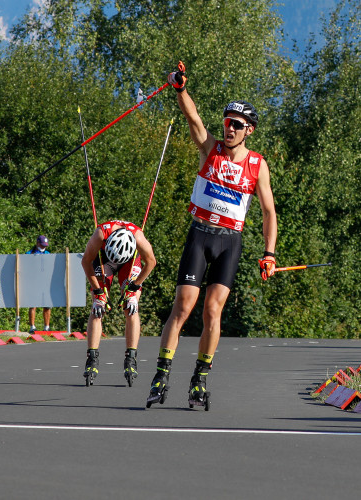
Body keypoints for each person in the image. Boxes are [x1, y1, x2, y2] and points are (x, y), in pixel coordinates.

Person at [146, 62, 277, 409]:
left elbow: (268, 212)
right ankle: (161, 374)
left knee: (213, 311)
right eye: (227, 122)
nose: (229, 128)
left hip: (229, 241)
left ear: (248, 130)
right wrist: (180, 89)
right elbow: (193, 119)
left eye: (236, 125)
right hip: (201, 235)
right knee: (184, 306)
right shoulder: (211, 148)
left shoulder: (257, 165)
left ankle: (200, 380)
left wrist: (269, 253)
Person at [80, 220, 157, 387]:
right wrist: (98, 291)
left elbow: (151, 262)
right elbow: (86, 262)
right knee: (98, 306)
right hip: (104, 257)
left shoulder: (138, 237)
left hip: (130, 261)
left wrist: (135, 287)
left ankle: (131, 358)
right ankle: (92, 357)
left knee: (131, 306)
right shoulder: (100, 235)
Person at [27, 235, 52, 333]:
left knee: (47, 305)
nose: (43, 247)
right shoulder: (29, 254)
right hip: (33, 282)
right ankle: (32, 326)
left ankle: (47, 327)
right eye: (42, 245)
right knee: (33, 305)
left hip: (45, 283)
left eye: (45, 246)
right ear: (37, 243)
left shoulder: (48, 254)